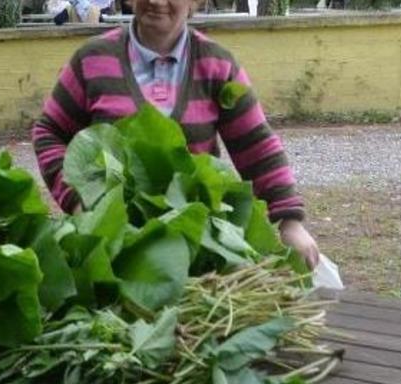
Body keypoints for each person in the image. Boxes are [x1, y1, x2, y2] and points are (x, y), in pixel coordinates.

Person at [32, 0, 320, 268]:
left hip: (196, 249)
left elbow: (257, 147)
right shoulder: (92, 60)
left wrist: (290, 222)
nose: (157, 1)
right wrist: (78, 201)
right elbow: (49, 132)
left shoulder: (217, 65)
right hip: (111, 249)